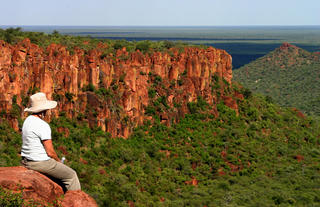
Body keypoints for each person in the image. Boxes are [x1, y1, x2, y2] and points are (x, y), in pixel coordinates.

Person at [21, 92, 81, 191]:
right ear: (43, 110)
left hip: (26, 161)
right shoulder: (42, 125)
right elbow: (50, 152)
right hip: (39, 163)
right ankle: (75, 200)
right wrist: (58, 162)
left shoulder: (27, 120)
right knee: (71, 176)